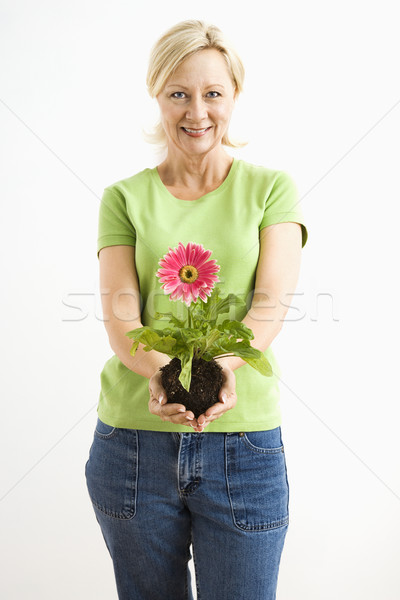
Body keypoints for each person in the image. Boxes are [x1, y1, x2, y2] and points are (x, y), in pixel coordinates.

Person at [85, 19, 308, 600]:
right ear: (157, 95)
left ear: (234, 95)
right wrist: (165, 376)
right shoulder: (125, 197)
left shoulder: (270, 189)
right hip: (135, 443)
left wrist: (223, 371)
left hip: (244, 443)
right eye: (178, 94)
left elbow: (270, 304)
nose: (197, 112)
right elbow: (121, 319)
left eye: (213, 93)